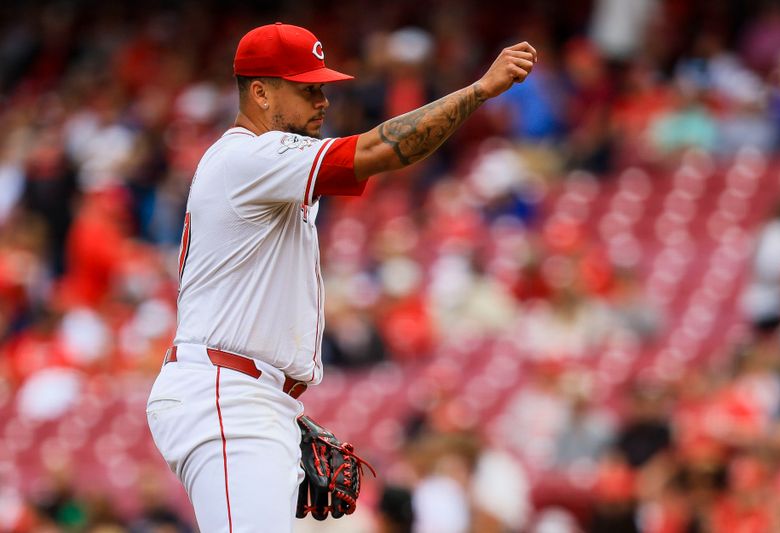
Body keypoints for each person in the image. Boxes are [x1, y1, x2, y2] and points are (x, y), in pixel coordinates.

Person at [145, 22, 536, 532]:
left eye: (323, 87)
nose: (323, 100)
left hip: (246, 392)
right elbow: (380, 151)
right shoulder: (248, 156)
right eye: (307, 88)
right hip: (228, 394)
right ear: (260, 92)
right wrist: (480, 91)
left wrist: (282, 406)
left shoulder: (261, 168)